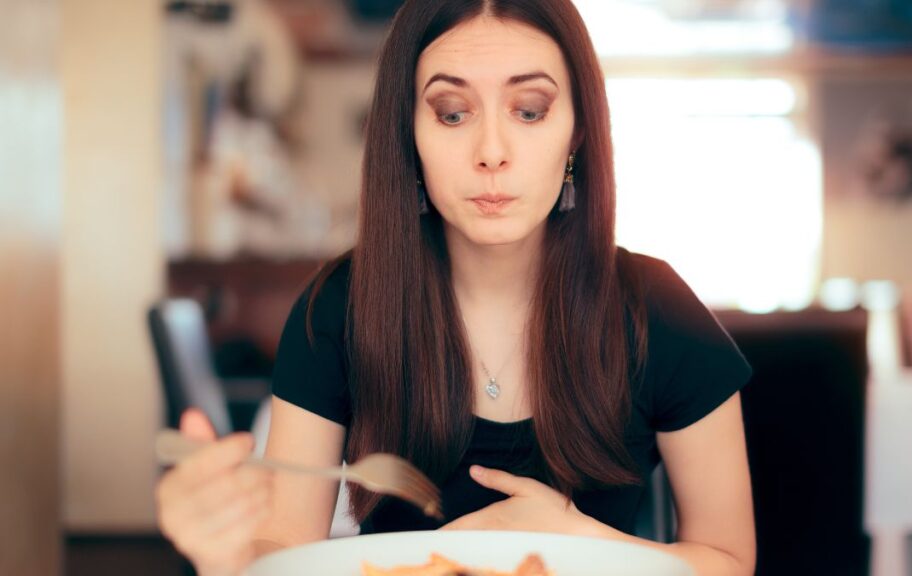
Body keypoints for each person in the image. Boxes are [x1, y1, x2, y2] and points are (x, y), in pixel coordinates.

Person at [155, 1, 757, 575]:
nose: (491, 152)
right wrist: (227, 557)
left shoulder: (658, 309)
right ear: (409, 134)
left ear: (577, 130)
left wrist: (586, 544)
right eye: (451, 113)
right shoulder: (339, 308)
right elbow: (281, 547)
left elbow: (728, 558)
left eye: (529, 110)